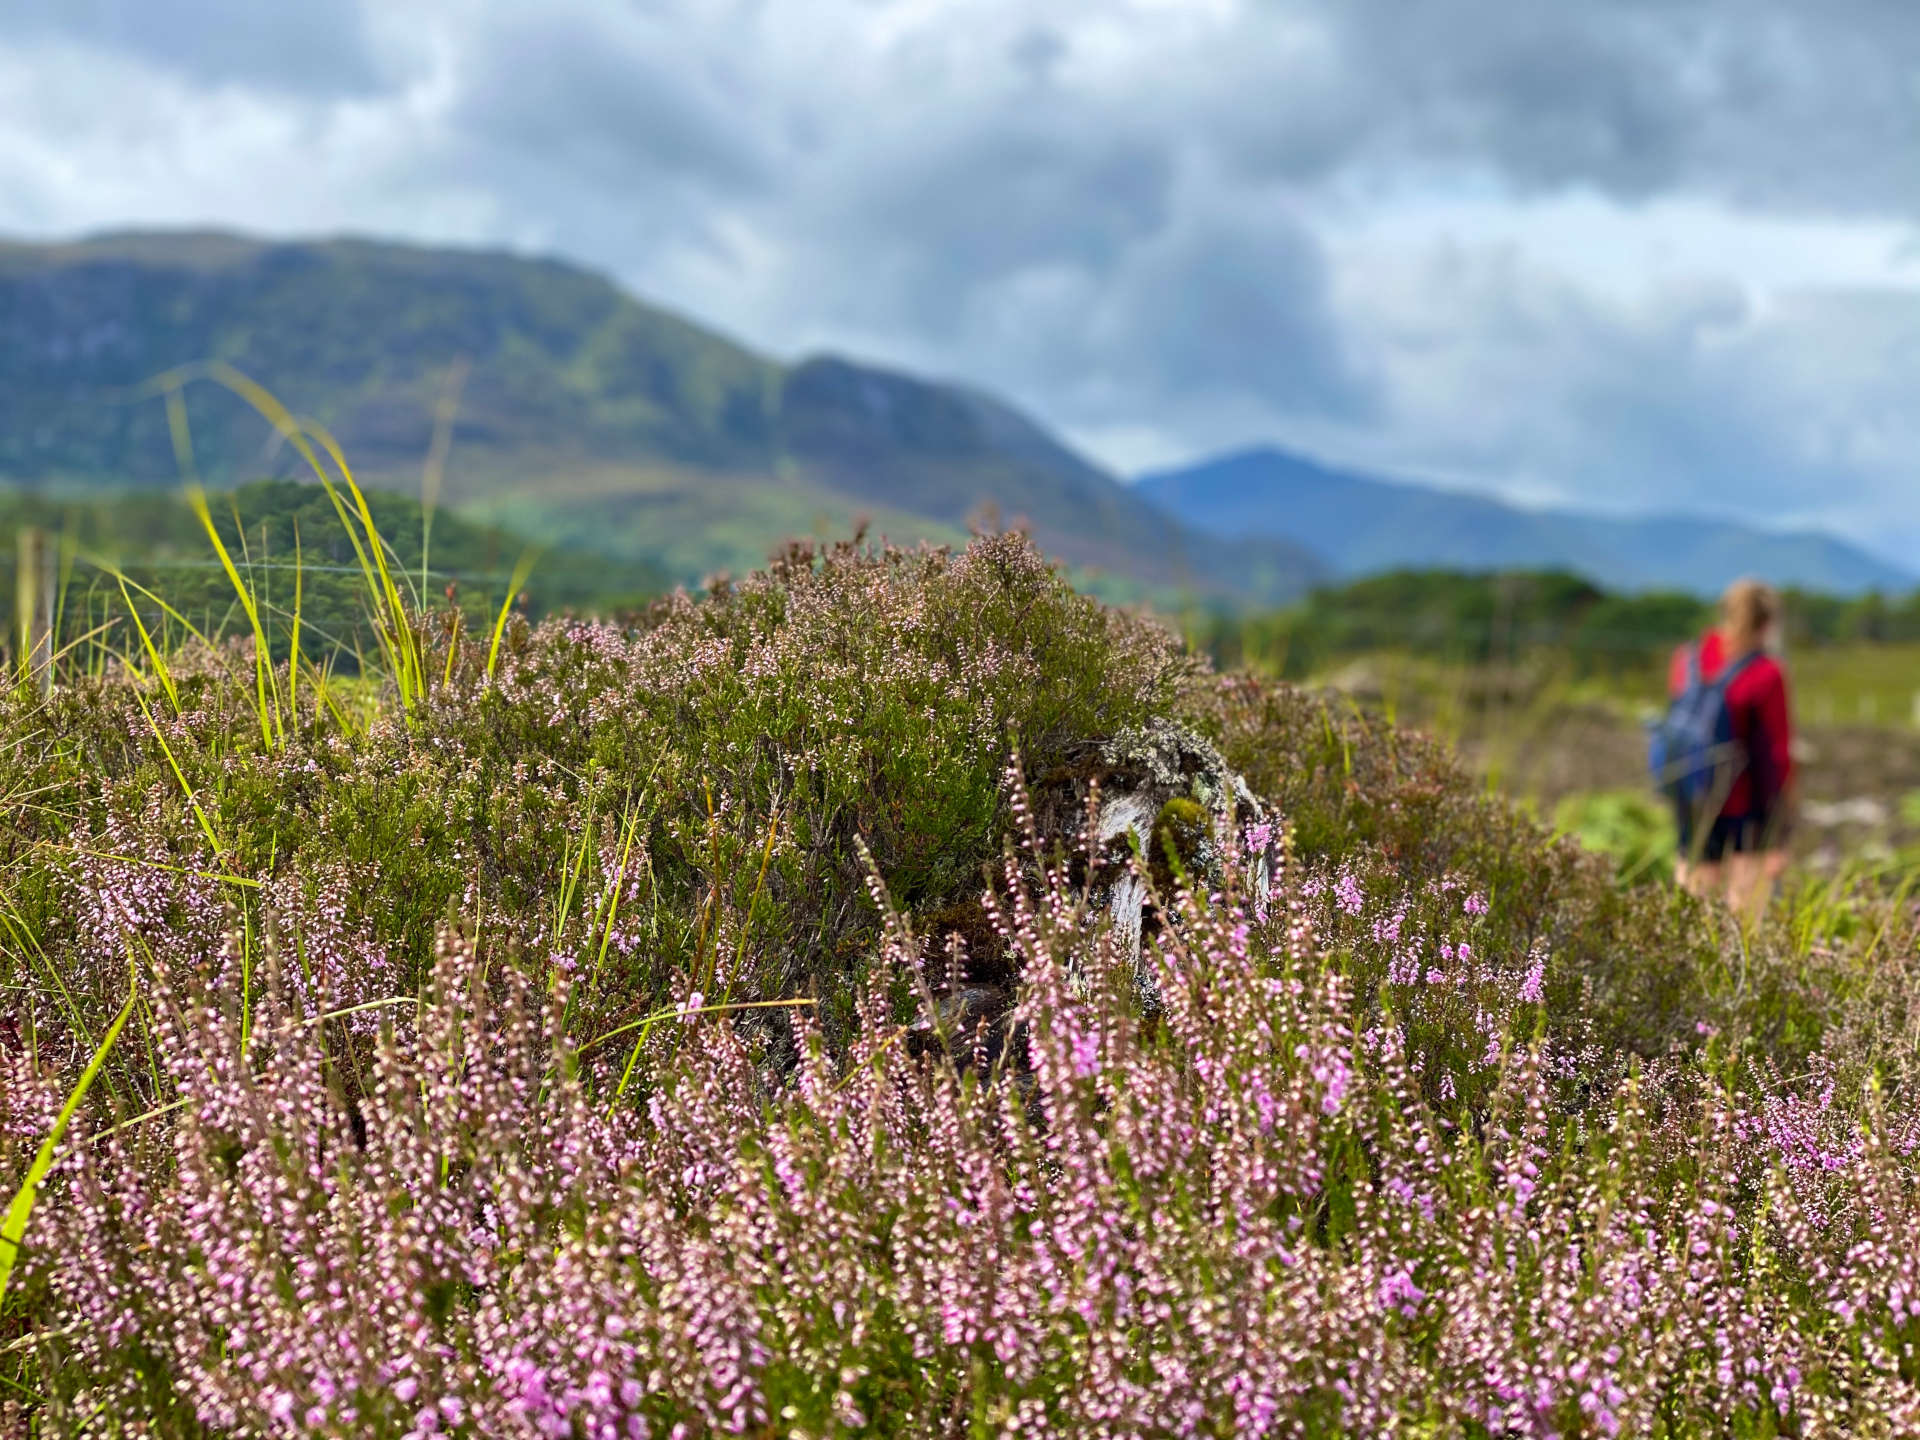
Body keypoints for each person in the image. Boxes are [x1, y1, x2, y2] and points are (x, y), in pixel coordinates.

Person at [1666, 579, 1795, 918]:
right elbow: (1776, 755)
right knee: (1742, 916)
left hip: (1689, 791)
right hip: (1743, 802)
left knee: (1691, 908)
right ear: (1769, 624)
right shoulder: (1767, 673)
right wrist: (1779, 832)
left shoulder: (1688, 658)